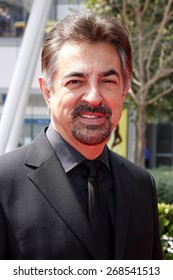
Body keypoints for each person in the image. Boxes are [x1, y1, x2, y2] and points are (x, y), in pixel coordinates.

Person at [0, 12, 163, 260]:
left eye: (108, 81)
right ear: (48, 91)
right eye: (76, 81)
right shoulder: (4, 184)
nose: (94, 97)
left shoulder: (141, 185)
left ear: (124, 90)